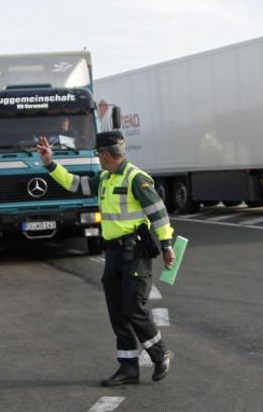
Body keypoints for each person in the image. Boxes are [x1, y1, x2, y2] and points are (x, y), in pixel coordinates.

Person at [36, 131, 175, 386]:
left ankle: (160, 352)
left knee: (134, 309)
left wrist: (167, 245)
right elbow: (73, 183)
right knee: (118, 313)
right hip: (112, 253)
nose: (98, 159)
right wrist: (50, 163)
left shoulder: (136, 178)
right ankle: (128, 368)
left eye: (99, 154)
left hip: (135, 253)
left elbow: (159, 213)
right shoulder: (104, 178)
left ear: (106, 154)